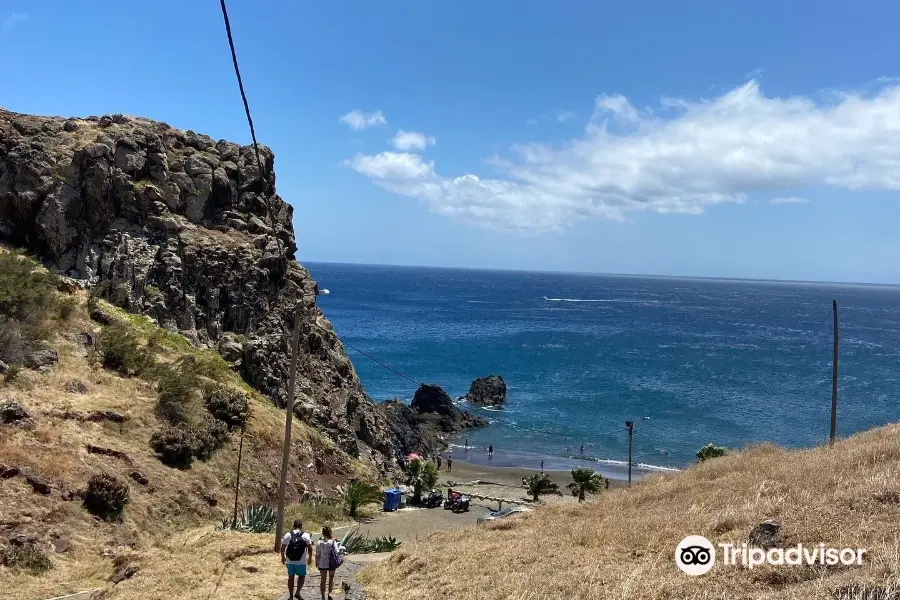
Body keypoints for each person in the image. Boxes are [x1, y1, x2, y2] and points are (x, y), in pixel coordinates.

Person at [281, 519, 313, 599]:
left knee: (291, 577)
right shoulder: (306, 535)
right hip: (301, 561)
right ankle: (298, 592)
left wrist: (282, 557)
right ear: (301, 526)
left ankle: (291, 596)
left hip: (289, 561)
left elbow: (283, 547)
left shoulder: (288, 534)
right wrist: (310, 557)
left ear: (293, 526)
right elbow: (310, 548)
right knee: (301, 576)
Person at [316, 525, 343, 600]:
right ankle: (329, 594)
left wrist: (316, 562)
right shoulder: (333, 542)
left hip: (322, 563)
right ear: (330, 532)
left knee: (323, 580)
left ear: (322, 533)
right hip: (331, 563)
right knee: (331, 579)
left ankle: (322, 597)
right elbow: (337, 552)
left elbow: (317, 554)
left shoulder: (319, 542)